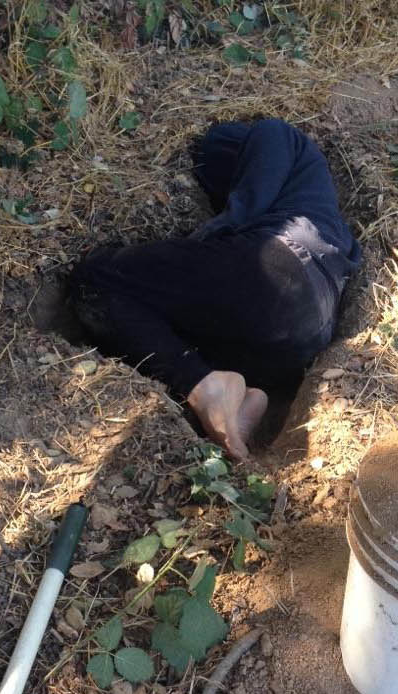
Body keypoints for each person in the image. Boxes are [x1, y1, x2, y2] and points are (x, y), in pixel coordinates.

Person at [67, 118, 362, 459]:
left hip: (281, 268)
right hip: (302, 338)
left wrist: (201, 242)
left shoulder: (287, 141)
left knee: (96, 278)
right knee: (171, 323)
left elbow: (249, 196)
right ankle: (237, 400)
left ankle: (203, 385)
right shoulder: (327, 219)